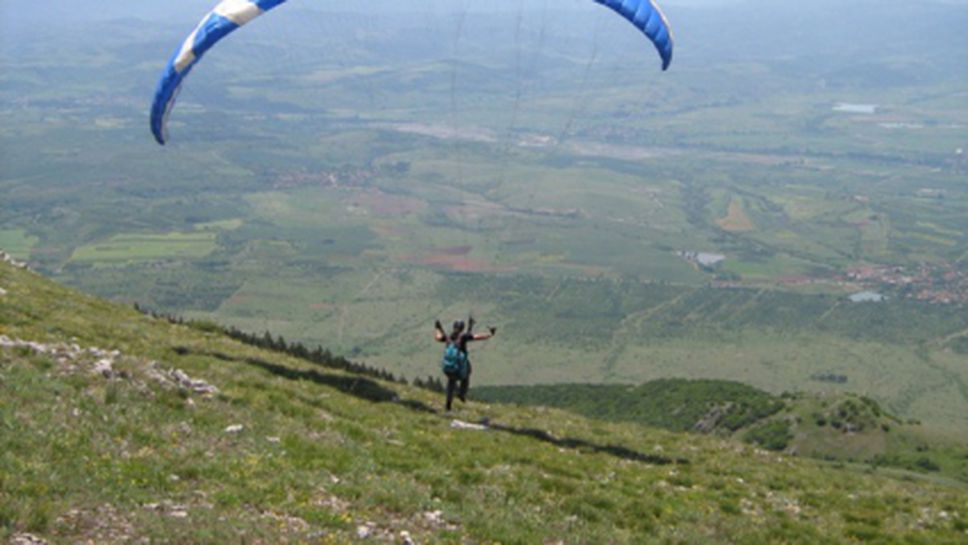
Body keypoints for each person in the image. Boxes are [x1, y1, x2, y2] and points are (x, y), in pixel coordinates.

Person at [434, 317, 496, 411]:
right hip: (459, 368)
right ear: (462, 328)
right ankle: (462, 394)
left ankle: (448, 405)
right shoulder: (463, 337)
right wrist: (490, 334)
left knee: (451, 382)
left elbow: (437, 337)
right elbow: (477, 337)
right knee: (467, 373)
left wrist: (437, 328)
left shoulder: (448, 337)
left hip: (448, 368)